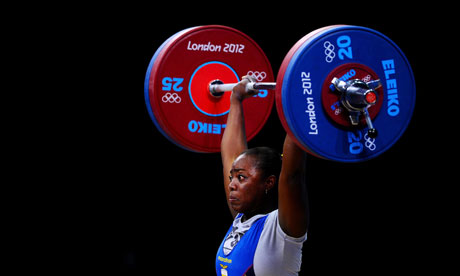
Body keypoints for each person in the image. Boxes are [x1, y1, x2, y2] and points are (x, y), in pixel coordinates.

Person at [215, 76, 309, 276]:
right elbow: (230, 155)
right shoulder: (242, 220)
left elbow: (292, 175)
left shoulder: (280, 231)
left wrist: (302, 101)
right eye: (232, 177)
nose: (231, 184)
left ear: (269, 182)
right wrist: (236, 99)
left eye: (241, 178)